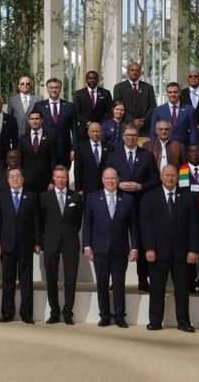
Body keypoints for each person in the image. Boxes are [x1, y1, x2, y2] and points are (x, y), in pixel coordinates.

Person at [140, 164, 199, 332]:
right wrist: (149, 248)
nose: (170, 178)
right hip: (157, 253)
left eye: (173, 175)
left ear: (178, 177)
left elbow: (193, 226)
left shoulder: (188, 198)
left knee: (182, 289)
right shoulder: (149, 197)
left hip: (182, 253)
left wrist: (193, 249)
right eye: (167, 175)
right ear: (160, 177)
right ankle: (155, 321)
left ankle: (183, 321)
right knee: (157, 289)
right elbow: (146, 226)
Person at [83, 167, 139, 328]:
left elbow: (133, 226)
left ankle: (120, 316)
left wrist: (134, 247)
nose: (110, 181)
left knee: (119, 284)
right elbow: (88, 225)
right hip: (99, 249)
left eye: (113, 178)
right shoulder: (93, 198)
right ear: (102, 180)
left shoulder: (127, 199)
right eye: (107, 178)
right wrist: (87, 245)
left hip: (120, 250)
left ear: (118, 180)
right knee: (101, 284)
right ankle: (105, 316)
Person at [113, 123, 159, 291]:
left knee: (140, 241)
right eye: (128, 135)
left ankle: (143, 279)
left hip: (140, 204)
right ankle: (116, 280)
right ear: (123, 136)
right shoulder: (114, 155)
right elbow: (106, 176)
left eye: (134, 135)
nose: (131, 138)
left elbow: (155, 180)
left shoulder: (147, 156)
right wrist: (118, 184)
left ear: (138, 137)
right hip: (119, 204)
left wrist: (141, 186)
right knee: (117, 242)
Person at [0, 167, 40, 324]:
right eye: (12, 177)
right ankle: (7, 312)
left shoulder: (32, 197)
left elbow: (37, 222)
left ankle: (26, 314)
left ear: (23, 179)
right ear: (7, 180)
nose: (15, 179)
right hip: (7, 245)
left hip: (26, 245)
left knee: (26, 280)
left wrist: (38, 242)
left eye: (18, 176)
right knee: (8, 280)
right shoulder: (2, 197)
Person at [38, 166, 83, 325]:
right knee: (51, 279)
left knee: (70, 279)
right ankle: (54, 312)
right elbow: (41, 222)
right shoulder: (44, 198)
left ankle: (68, 313)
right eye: (58, 177)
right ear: (53, 178)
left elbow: (78, 222)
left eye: (64, 177)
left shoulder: (76, 197)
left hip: (70, 242)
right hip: (51, 242)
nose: (61, 180)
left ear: (67, 178)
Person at [180, 144, 199, 294]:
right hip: (186, 218)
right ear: (187, 154)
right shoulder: (180, 171)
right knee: (189, 250)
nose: (195, 154)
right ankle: (190, 282)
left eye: (198, 151)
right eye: (192, 151)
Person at [34, 78, 78, 163]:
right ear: (47, 89)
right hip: (44, 148)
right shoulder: (39, 106)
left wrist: (74, 149)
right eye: (51, 87)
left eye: (56, 87)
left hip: (64, 150)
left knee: (63, 175)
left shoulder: (69, 106)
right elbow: (34, 127)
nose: (54, 90)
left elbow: (75, 129)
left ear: (60, 89)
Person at [112, 62, 156, 139]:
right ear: (127, 72)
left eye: (137, 70)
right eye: (132, 70)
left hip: (145, 128)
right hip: (126, 126)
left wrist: (143, 121)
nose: (134, 72)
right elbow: (118, 107)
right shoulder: (119, 87)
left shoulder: (148, 87)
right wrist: (132, 120)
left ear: (140, 73)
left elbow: (153, 106)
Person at [17, 111, 55, 193]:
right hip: (27, 182)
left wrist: (52, 181)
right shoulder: (22, 138)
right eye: (32, 119)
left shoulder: (50, 137)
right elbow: (19, 162)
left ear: (42, 120)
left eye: (37, 119)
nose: (34, 121)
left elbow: (53, 161)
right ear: (29, 121)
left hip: (45, 182)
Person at [151, 82, 197, 148]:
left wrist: (193, 146)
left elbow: (193, 132)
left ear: (180, 93)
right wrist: (154, 147)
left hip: (184, 147)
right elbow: (153, 132)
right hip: (164, 147)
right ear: (167, 93)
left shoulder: (189, 110)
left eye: (175, 92)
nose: (172, 94)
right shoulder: (158, 110)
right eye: (170, 92)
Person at [72, 70, 112, 139]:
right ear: (86, 80)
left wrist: (99, 124)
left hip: (101, 129)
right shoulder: (79, 94)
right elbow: (76, 112)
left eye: (94, 78)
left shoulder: (106, 93)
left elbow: (110, 112)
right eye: (90, 78)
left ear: (98, 79)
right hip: (84, 130)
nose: (92, 80)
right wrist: (88, 124)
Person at [73, 122, 111, 194]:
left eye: (97, 131)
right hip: (87, 189)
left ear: (102, 132)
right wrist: (78, 189)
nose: (95, 134)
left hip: (105, 188)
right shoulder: (80, 148)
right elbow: (77, 170)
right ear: (88, 132)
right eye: (93, 131)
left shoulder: (109, 148)